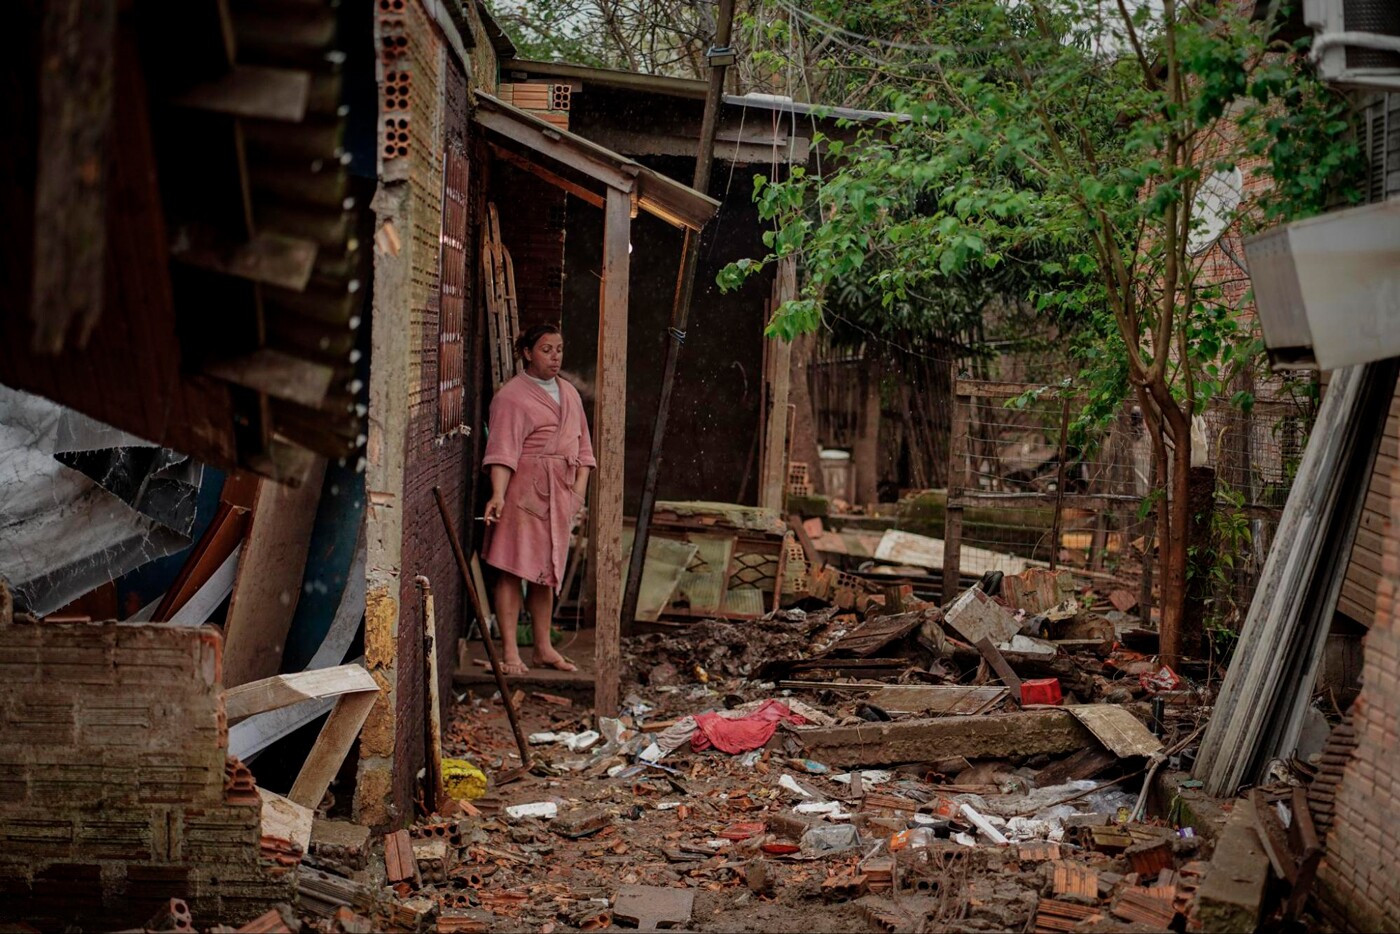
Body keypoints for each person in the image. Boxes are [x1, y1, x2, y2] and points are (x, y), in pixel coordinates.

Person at [481, 323, 594, 674]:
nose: (555, 356)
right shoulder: (510, 397)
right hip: (523, 491)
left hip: (560, 495)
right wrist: (498, 494)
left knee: (546, 573)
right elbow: (502, 451)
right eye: (546, 349)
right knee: (513, 570)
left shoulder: (570, 394)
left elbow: (585, 451)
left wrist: (577, 493)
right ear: (527, 352)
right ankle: (512, 653)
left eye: (559, 349)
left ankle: (543, 649)